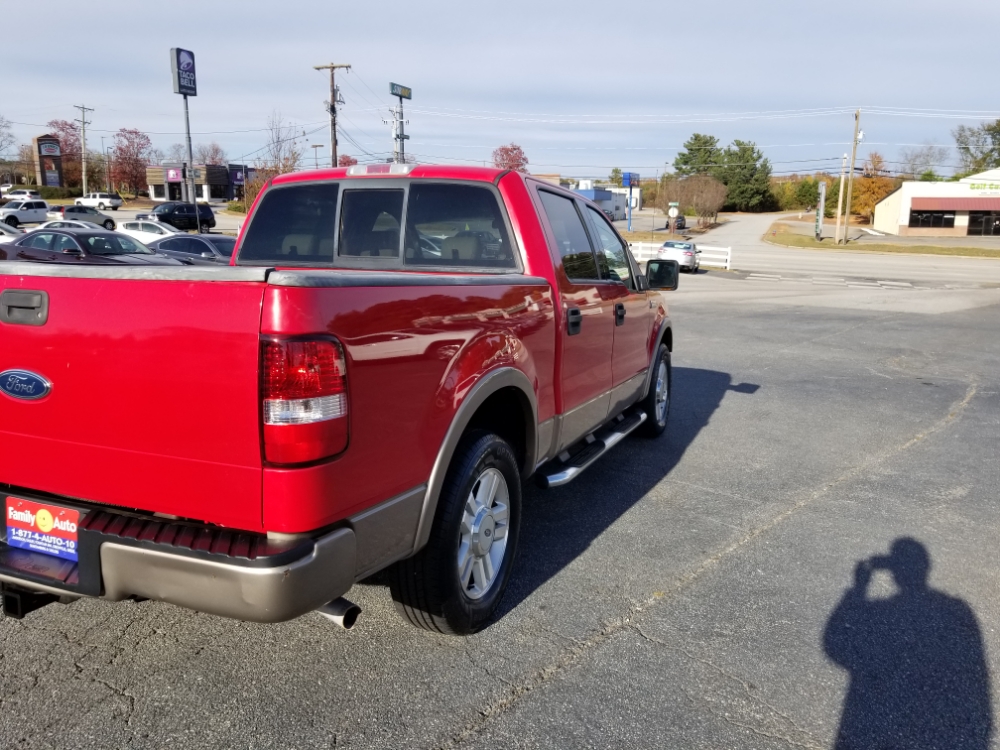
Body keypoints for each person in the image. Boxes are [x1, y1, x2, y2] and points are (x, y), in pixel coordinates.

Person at [824, 538, 991, 749]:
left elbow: (834, 643)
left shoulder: (881, 613)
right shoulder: (958, 610)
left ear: (894, 572)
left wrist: (858, 589)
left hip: (880, 727)